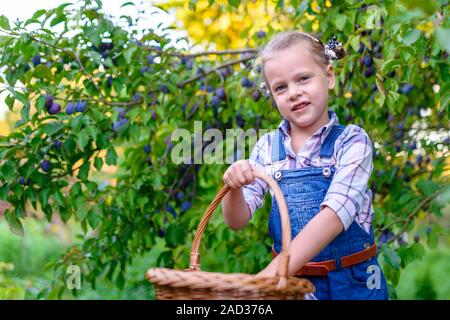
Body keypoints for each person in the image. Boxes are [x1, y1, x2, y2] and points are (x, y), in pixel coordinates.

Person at [221, 30, 388, 300]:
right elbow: (236, 220)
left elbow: (334, 217)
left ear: (329, 76)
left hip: (354, 283)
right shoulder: (267, 148)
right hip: (294, 287)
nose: (294, 93)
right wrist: (233, 187)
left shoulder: (352, 141)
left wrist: (270, 275)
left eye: (303, 79)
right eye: (280, 87)